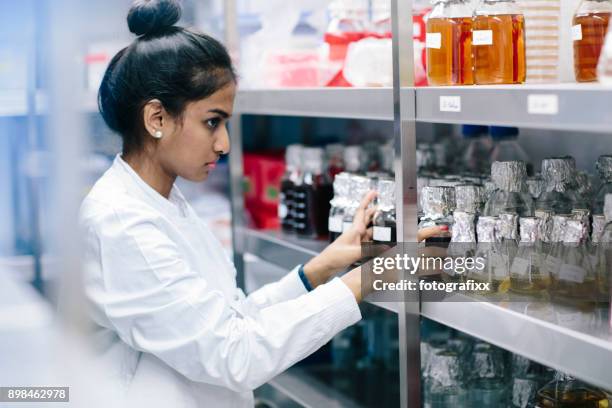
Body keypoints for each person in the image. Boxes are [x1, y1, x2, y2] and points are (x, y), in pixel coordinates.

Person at [79, 1, 443, 406]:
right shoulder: (124, 224)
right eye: (212, 122)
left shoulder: (163, 202)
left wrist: (325, 265)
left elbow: (231, 320)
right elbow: (235, 353)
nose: (224, 144)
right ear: (157, 119)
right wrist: (371, 277)